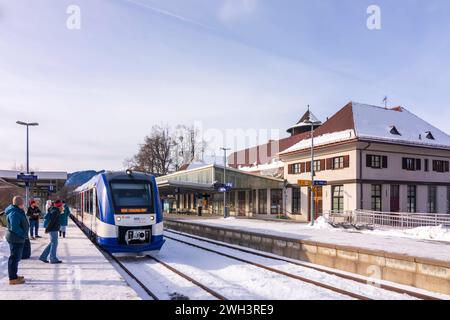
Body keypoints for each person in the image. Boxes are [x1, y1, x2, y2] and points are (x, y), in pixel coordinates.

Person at [5, 196, 29, 285]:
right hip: (15, 238)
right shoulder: (14, 213)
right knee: (14, 258)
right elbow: (14, 227)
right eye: (22, 203)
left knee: (16, 257)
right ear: (19, 204)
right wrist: (23, 234)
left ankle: (14, 275)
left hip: (17, 238)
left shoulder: (17, 210)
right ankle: (12, 278)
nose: (24, 204)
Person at [39, 200, 63, 264]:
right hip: (53, 229)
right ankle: (53, 258)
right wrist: (47, 229)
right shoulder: (55, 211)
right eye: (61, 205)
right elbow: (52, 222)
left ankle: (43, 257)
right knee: (54, 243)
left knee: (52, 243)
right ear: (59, 206)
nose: (62, 206)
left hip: (53, 229)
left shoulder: (54, 210)